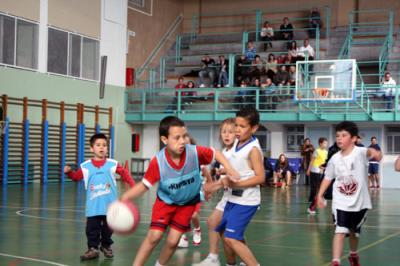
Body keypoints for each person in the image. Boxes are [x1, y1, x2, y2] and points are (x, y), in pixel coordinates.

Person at [120, 116, 239, 266]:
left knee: (173, 241)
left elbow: (216, 153)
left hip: (188, 204)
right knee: (154, 236)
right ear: (165, 140)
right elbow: (144, 185)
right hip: (166, 203)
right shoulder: (158, 162)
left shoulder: (194, 152)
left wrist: (229, 168)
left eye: (184, 136)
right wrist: (126, 197)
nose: (182, 141)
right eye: (177, 138)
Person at [316, 121, 382, 266]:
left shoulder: (361, 152)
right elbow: (328, 177)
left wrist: (375, 153)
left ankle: (353, 254)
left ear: (353, 138)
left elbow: (374, 154)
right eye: (337, 135)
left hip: (359, 202)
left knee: (354, 232)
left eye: (344, 135)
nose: (339, 138)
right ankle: (336, 261)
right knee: (339, 231)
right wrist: (319, 195)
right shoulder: (334, 159)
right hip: (340, 201)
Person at [64, 133, 135, 260]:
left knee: (108, 229)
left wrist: (133, 185)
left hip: (110, 206)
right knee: (92, 229)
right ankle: (93, 249)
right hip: (93, 207)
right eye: (98, 145)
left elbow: (124, 173)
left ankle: (106, 246)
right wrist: (69, 172)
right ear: (92, 148)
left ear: (107, 148)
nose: (102, 147)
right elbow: (76, 177)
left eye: (104, 145)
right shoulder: (85, 166)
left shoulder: (112, 164)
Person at [214, 106, 265, 266]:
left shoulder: (253, 150)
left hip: (247, 201)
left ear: (254, 128)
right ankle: (231, 264)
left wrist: (237, 183)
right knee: (223, 232)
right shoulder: (237, 144)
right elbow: (239, 167)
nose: (237, 130)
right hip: (232, 198)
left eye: (242, 127)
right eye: (236, 125)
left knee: (231, 237)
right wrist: (223, 170)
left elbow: (260, 177)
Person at [193, 118, 236, 266]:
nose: (227, 135)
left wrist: (213, 186)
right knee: (222, 230)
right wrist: (223, 171)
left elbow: (236, 174)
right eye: (224, 132)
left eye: (230, 132)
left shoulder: (237, 151)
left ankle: (214, 258)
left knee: (216, 225)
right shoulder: (224, 152)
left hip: (239, 197)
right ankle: (226, 261)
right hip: (228, 196)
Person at [307, 137, 328, 214]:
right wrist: (308, 170)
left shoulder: (326, 152)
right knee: (316, 189)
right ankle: (312, 204)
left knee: (322, 188)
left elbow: (325, 162)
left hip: (322, 171)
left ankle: (320, 199)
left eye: (326, 143)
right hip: (315, 171)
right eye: (325, 143)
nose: (326, 144)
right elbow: (312, 161)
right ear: (320, 143)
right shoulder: (316, 151)